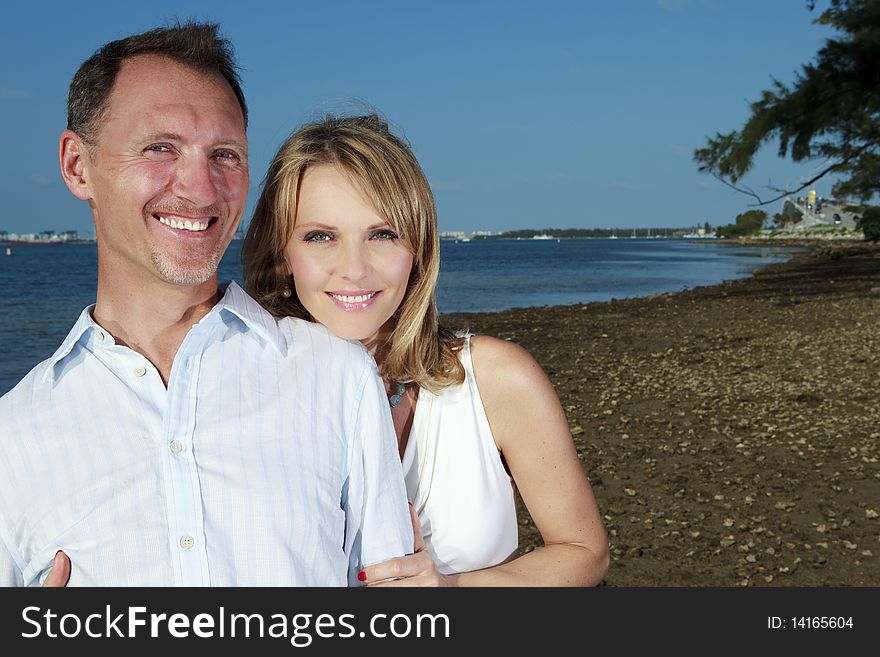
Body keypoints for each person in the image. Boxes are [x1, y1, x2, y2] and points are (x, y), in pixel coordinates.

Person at [0, 24, 411, 586]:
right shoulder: (13, 437)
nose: (200, 188)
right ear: (77, 166)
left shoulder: (337, 379)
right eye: (160, 148)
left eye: (224, 154)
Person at [242, 114, 610, 586]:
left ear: (418, 247)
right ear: (281, 253)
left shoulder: (496, 379)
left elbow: (584, 551)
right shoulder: (237, 393)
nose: (353, 269)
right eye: (321, 236)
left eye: (382, 234)